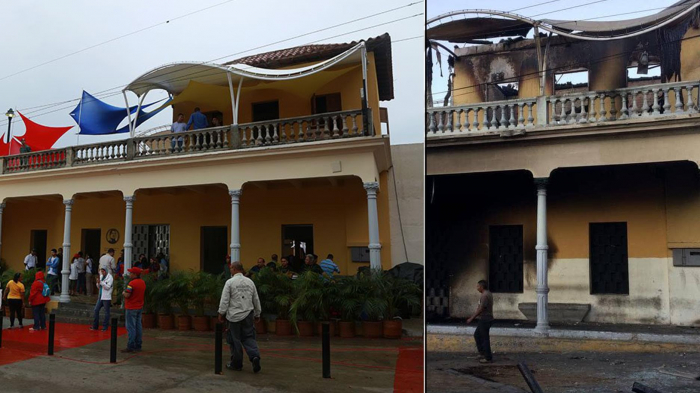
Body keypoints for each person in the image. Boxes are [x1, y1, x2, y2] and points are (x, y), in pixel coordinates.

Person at [218, 261, 262, 373]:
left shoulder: (230, 282)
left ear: (233, 269)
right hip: (248, 313)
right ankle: (254, 356)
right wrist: (257, 313)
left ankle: (236, 364)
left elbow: (225, 300)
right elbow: (256, 299)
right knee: (249, 337)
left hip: (234, 316)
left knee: (234, 340)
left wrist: (221, 313)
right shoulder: (250, 282)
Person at [467, 280, 494, 364]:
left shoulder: (485, 295)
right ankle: (482, 353)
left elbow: (481, 308)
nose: (477, 288)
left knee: (484, 338)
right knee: (477, 335)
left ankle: (488, 357)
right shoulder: (487, 293)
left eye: (478, 286)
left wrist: (471, 318)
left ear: (482, 287)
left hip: (485, 319)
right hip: (485, 318)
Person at [122, 267, 146, 353]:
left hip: (131, 307)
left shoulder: (131, 284)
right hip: (139, 306)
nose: (129, 274)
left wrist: (123, 293)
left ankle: (130, 346)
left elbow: (127, 295)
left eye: (131, 273)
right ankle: (138, 345)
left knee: (131, 327)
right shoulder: (142, 282)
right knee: (138, 326)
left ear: (135, 274)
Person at [91, 267, 113, 332]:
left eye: (103, 271)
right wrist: (98, 283)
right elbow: (98, 287)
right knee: (96, 310)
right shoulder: (101, 276)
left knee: (107, 312)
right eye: (101, 271)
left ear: (106, 271)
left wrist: (101, 282)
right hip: (100, 296)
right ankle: (95, 326)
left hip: (106, 297)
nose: (102, 272)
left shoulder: (110, 277)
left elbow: (108, 287)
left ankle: (105, 327)